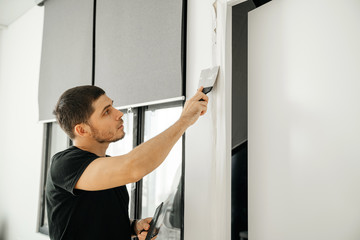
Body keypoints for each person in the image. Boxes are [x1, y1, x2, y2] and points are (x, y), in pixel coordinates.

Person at [45, 85, 208, 240]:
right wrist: (184, 120)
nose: (119, 113)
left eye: (112, 106)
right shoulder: (64, 164)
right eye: (106, 112)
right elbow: (133, 168)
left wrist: (133, 227)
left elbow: (97, 219)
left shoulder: (108, 165)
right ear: (82, 130)